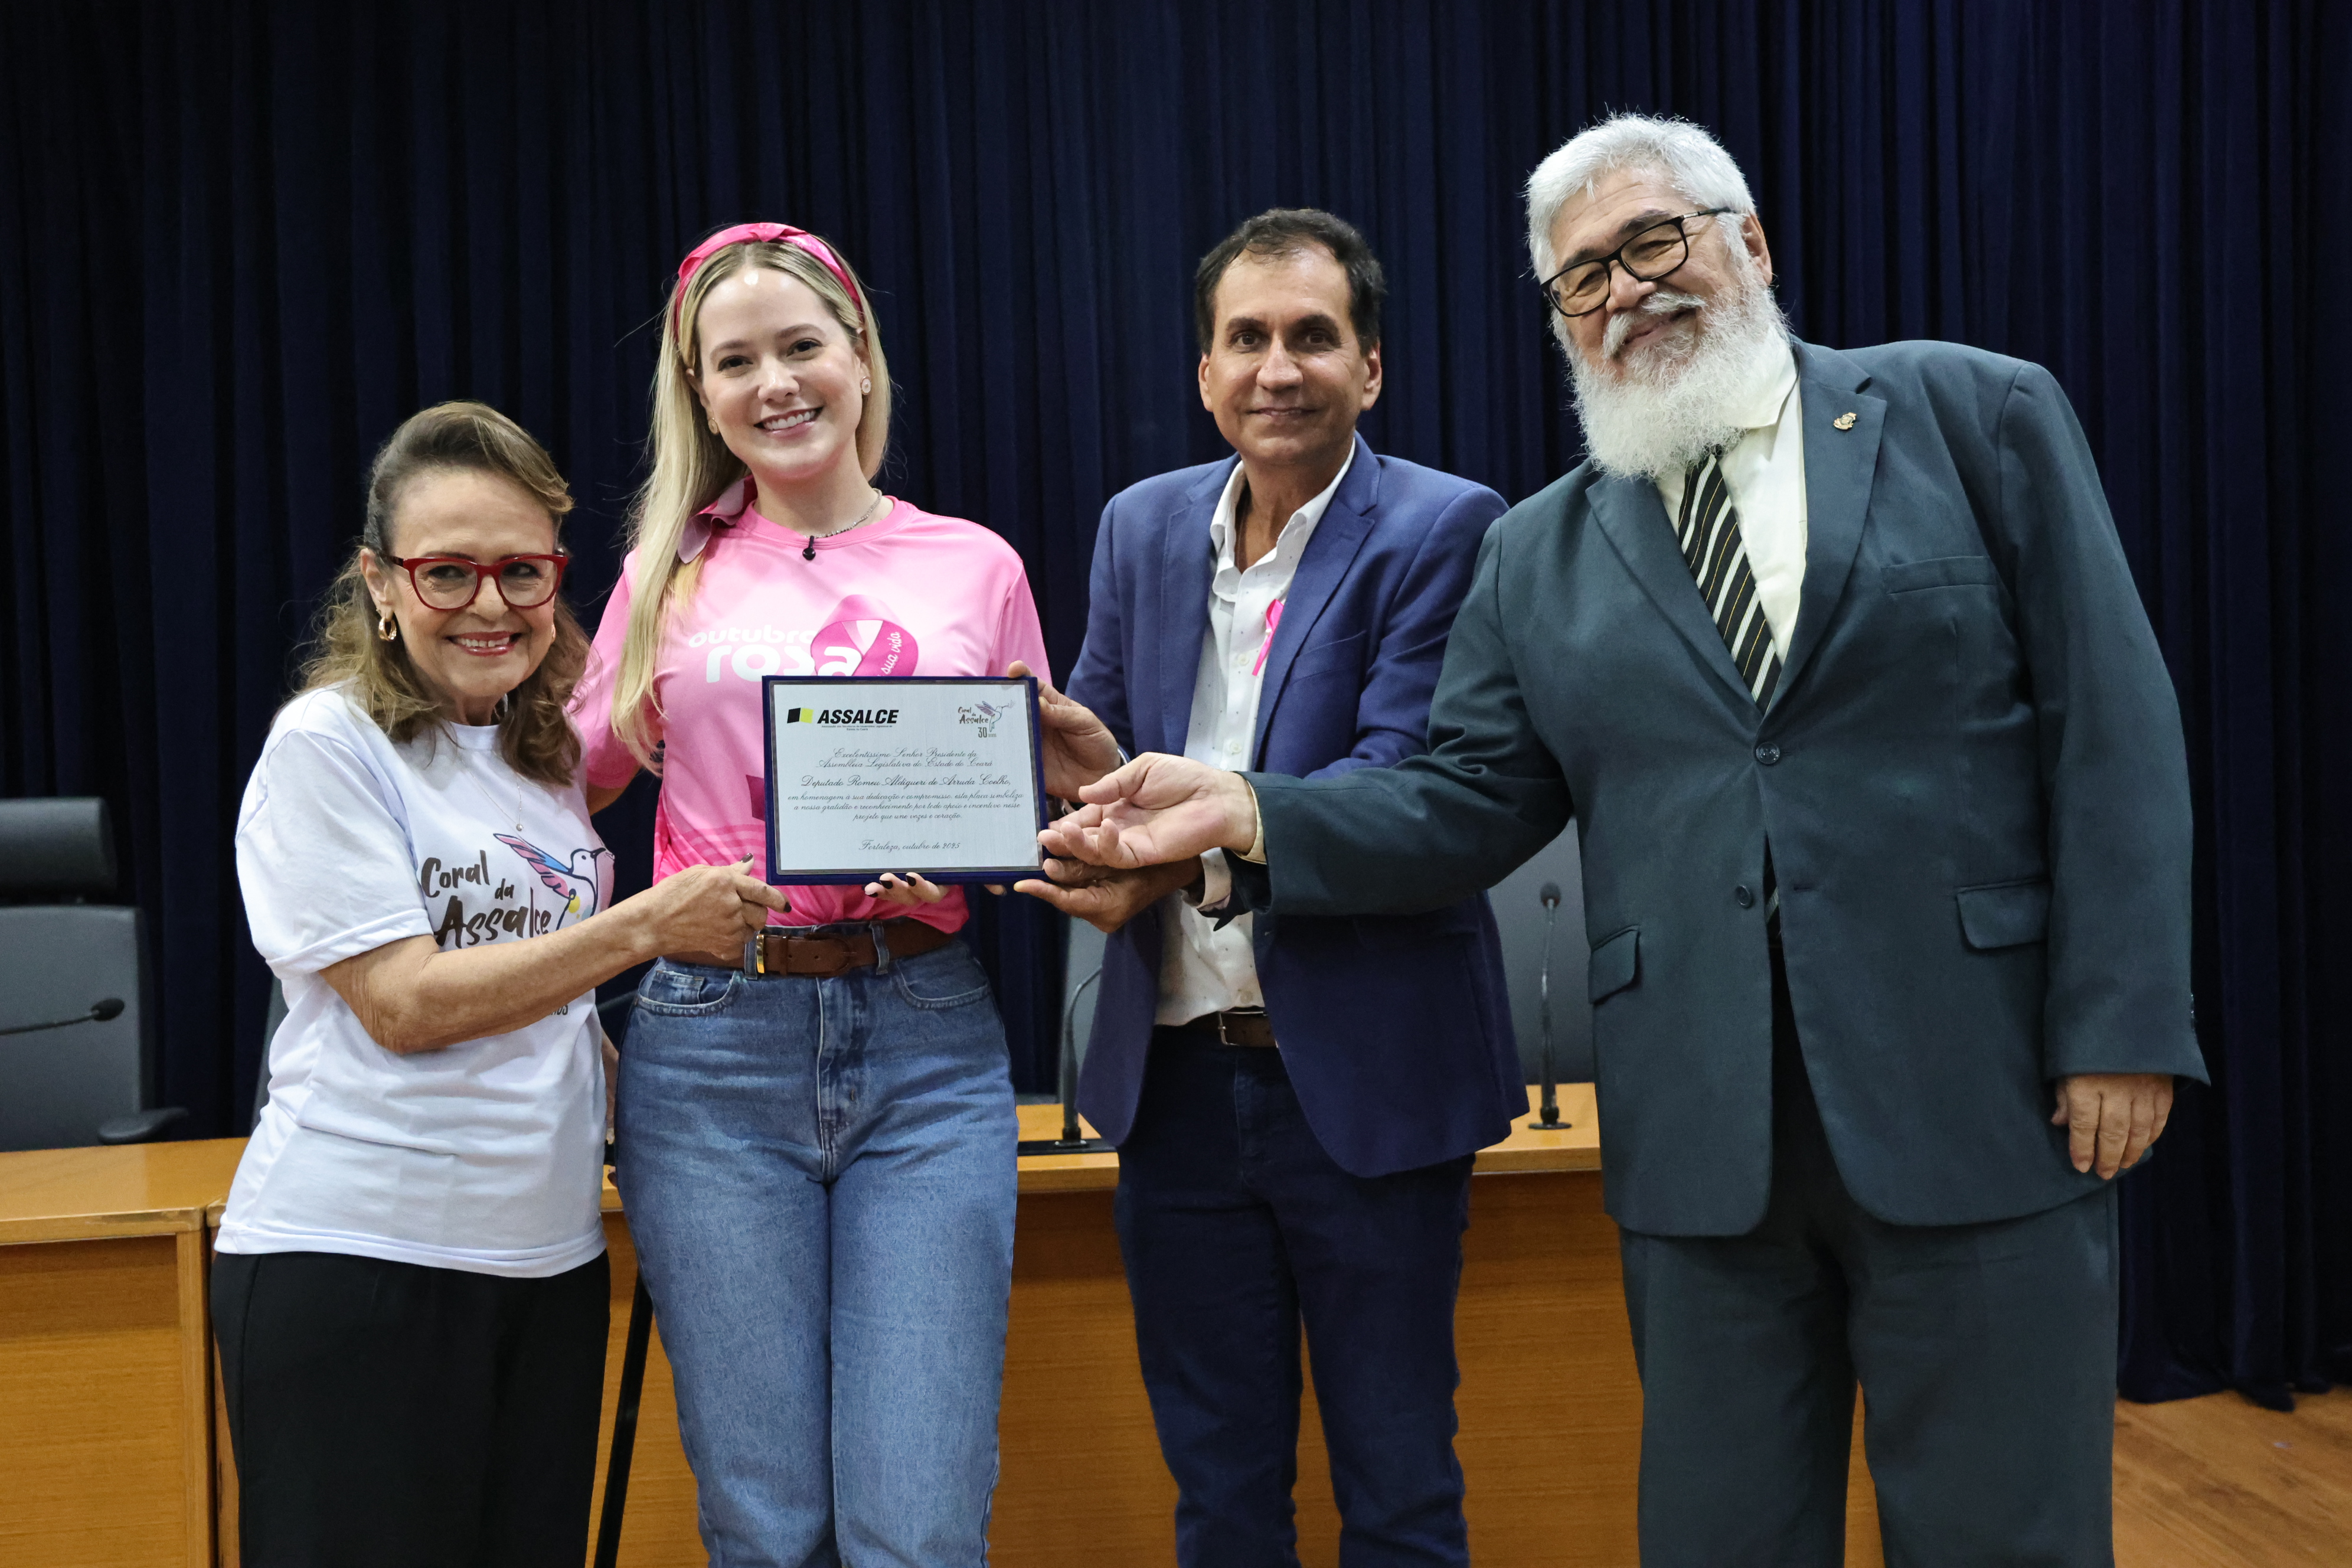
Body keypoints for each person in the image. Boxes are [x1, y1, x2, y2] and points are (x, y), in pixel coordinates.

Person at [1044, 115, 2206, 1567]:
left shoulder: (1973, 415)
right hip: (1703, 1134)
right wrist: (1250, 811)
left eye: (1653, 241)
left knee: (2005, 1536)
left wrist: (2124, 1021)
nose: (1626, 290)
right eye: (1582, 275)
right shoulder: (1540, 549)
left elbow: (2113, 723)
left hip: (1977, 1091)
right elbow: (1462, 801)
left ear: (1750, 241)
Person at [1015, 208, 1514, 1567]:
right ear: (1205, 372)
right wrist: (1085, 805)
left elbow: (1405, 782)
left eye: (1312, 337)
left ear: (1371, 367)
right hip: (1173, 1083)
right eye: (1246, 338)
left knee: (1399, 1495)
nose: (1277, 368)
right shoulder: (1140, 525)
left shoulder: (1446, 525)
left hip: (1365, 1082)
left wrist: (1184, 852)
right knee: (1222, 1502)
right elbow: (1113, 760)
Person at [214, 401, 783, 1567]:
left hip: (547, 1263)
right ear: (381, 582)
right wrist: (643, 928)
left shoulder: (542, 756)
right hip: (360, 1261)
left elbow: (545, 997)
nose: (491, 604)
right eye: (448, 573)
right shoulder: (329, 744)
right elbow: (406, 1004)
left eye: (522, 571)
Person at [569, 222, 1050, 1566]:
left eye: (801, 346)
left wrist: (974, 842)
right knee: (766, 1524)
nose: (775, 383)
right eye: (736, 362)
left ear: (860, 357)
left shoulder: (978, 565)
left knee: (920, 1521)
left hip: (926, 1040)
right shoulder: (664, 574)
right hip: (713, 1049)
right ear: (701, 393)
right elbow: (566, 790)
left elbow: (1023, 786)